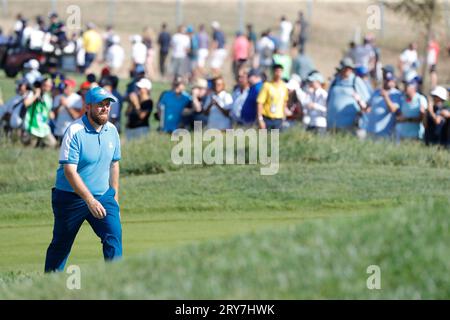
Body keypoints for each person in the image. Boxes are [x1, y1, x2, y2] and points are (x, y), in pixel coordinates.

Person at [44, 86, 122, 273]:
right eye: (100, 105)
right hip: (71, 198)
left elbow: (114, 165)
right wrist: (89, 200)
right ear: (88, 107)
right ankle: (49, 286)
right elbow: (70, 171)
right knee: (61, 245)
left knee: (113, 236)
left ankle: (117, 283)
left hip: (103, 196)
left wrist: (115, 200)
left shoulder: (112, 130)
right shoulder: (74, 131)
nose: (105, 109)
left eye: (107, 105)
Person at [326, 58, 370, 132]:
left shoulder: (356, 81)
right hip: (332, 123)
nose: (347, 70)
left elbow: (367, 101)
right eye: (346, 68)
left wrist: (359, 101)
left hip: (349, 126)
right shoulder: (335, 81)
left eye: (349, 68)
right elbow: (328, 98)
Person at [384, 77, 427, 142]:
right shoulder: (402, 99)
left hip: (415, 136)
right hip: (402, 136)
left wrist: (406, 119)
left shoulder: (420, 99)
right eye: (405, 85)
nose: (405, 87)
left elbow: (422, 117)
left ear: (414, 87)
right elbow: (395, 111)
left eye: (408, 85)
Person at [364, 71, 401, 139]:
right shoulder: (376, 92)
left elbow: (393, 109)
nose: (387, 82)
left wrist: (386, 97)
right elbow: (367, 106)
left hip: (385, 132)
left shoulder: (396, 94)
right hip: (371, 129)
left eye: (390, 80)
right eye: (386, 80)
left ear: (393, 81)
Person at [22, 78, 57, 148]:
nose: (47, 87)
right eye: (45, 85)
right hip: (32, 127)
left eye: (49, 86)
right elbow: (26, 103)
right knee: (30, 148)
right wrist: (36, 95)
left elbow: (49, 112)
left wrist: (51, 114)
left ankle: (41, 146)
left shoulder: (48, 98)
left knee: (53, 143)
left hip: (43, 127)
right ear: (41, 85)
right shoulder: (32, 93)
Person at [257, 64, 289, 130]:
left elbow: (285, 102)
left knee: (276, 139)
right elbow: (260, 103)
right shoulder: (267, 85)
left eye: (280, 71)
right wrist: (260, 119)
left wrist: (284, 117)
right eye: (276, 71)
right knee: (266, 139)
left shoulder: (284, 86)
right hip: (267, 118)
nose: (278, 74)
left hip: (278, 119)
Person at [52, 79, 83, 143]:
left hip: (71, 132)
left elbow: (76, 116)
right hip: (58, 131)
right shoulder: (58, 97)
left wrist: (66, 106)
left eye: (67, 86)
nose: (65, 87)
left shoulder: (78, 98)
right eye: (64, 85)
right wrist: (59, 105)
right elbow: (54, 116)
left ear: (72, 87)